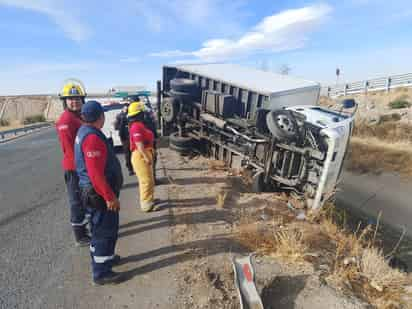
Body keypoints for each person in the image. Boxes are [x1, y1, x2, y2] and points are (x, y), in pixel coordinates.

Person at [75, 101, 124, 285]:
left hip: (95, 192)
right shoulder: (92, 138)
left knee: (100, 231)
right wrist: (109, 197)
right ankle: (101, 273)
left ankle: (106, 258)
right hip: (99, 195)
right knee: (104, 231)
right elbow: (96, 174)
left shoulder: (84, 131)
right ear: (100, 117)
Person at [56, 80, 90, 246]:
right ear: (65, 101)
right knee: (76, 201)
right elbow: (70, 150)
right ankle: (80, 236)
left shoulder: (78, 117)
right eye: (70, 99)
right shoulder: (66, 120)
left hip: (82, 167)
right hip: (75, 168)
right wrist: (84, 168)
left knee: (84, 200)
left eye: (77, 98)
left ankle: (85, 229)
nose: (74, 101)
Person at [128, 101, 155, 212]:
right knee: (146, 181)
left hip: (144, 153)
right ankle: (145, 204)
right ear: (139, 114)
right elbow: (139, 144)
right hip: (140, 155)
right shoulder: (136, 127)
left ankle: (149, 199)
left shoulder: (139, 125)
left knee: (149, 179)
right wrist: (146, 157)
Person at [114, 104, 134, 175]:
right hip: (124, 137)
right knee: (127, 153)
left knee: (133, 152)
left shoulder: (131, 115)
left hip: (132, 135)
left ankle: (134, 167)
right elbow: (116, 127)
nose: (127, 110)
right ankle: (130, 168)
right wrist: (122, 118)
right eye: (126, 108)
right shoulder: (119, 116)